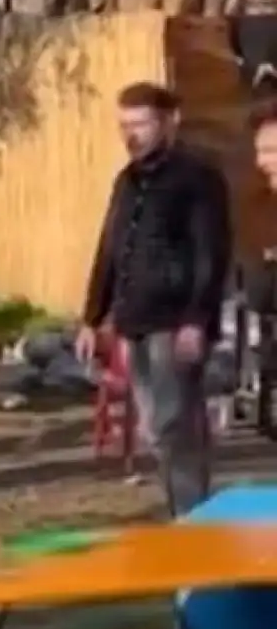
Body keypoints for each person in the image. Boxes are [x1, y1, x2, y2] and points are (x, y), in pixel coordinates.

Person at [76, 82, 232, 517]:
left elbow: (210, 252)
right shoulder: (127, 180)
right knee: (155, 427)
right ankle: (183, 511)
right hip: (135, 319)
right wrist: (93, 316)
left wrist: (197, 320)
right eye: (124, 125)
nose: (132, 134)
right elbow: (110, 246)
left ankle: (194, 516)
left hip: (176, 319)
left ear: (169, 122)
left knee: (175, 423)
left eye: (141, 123)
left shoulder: (197, 177)